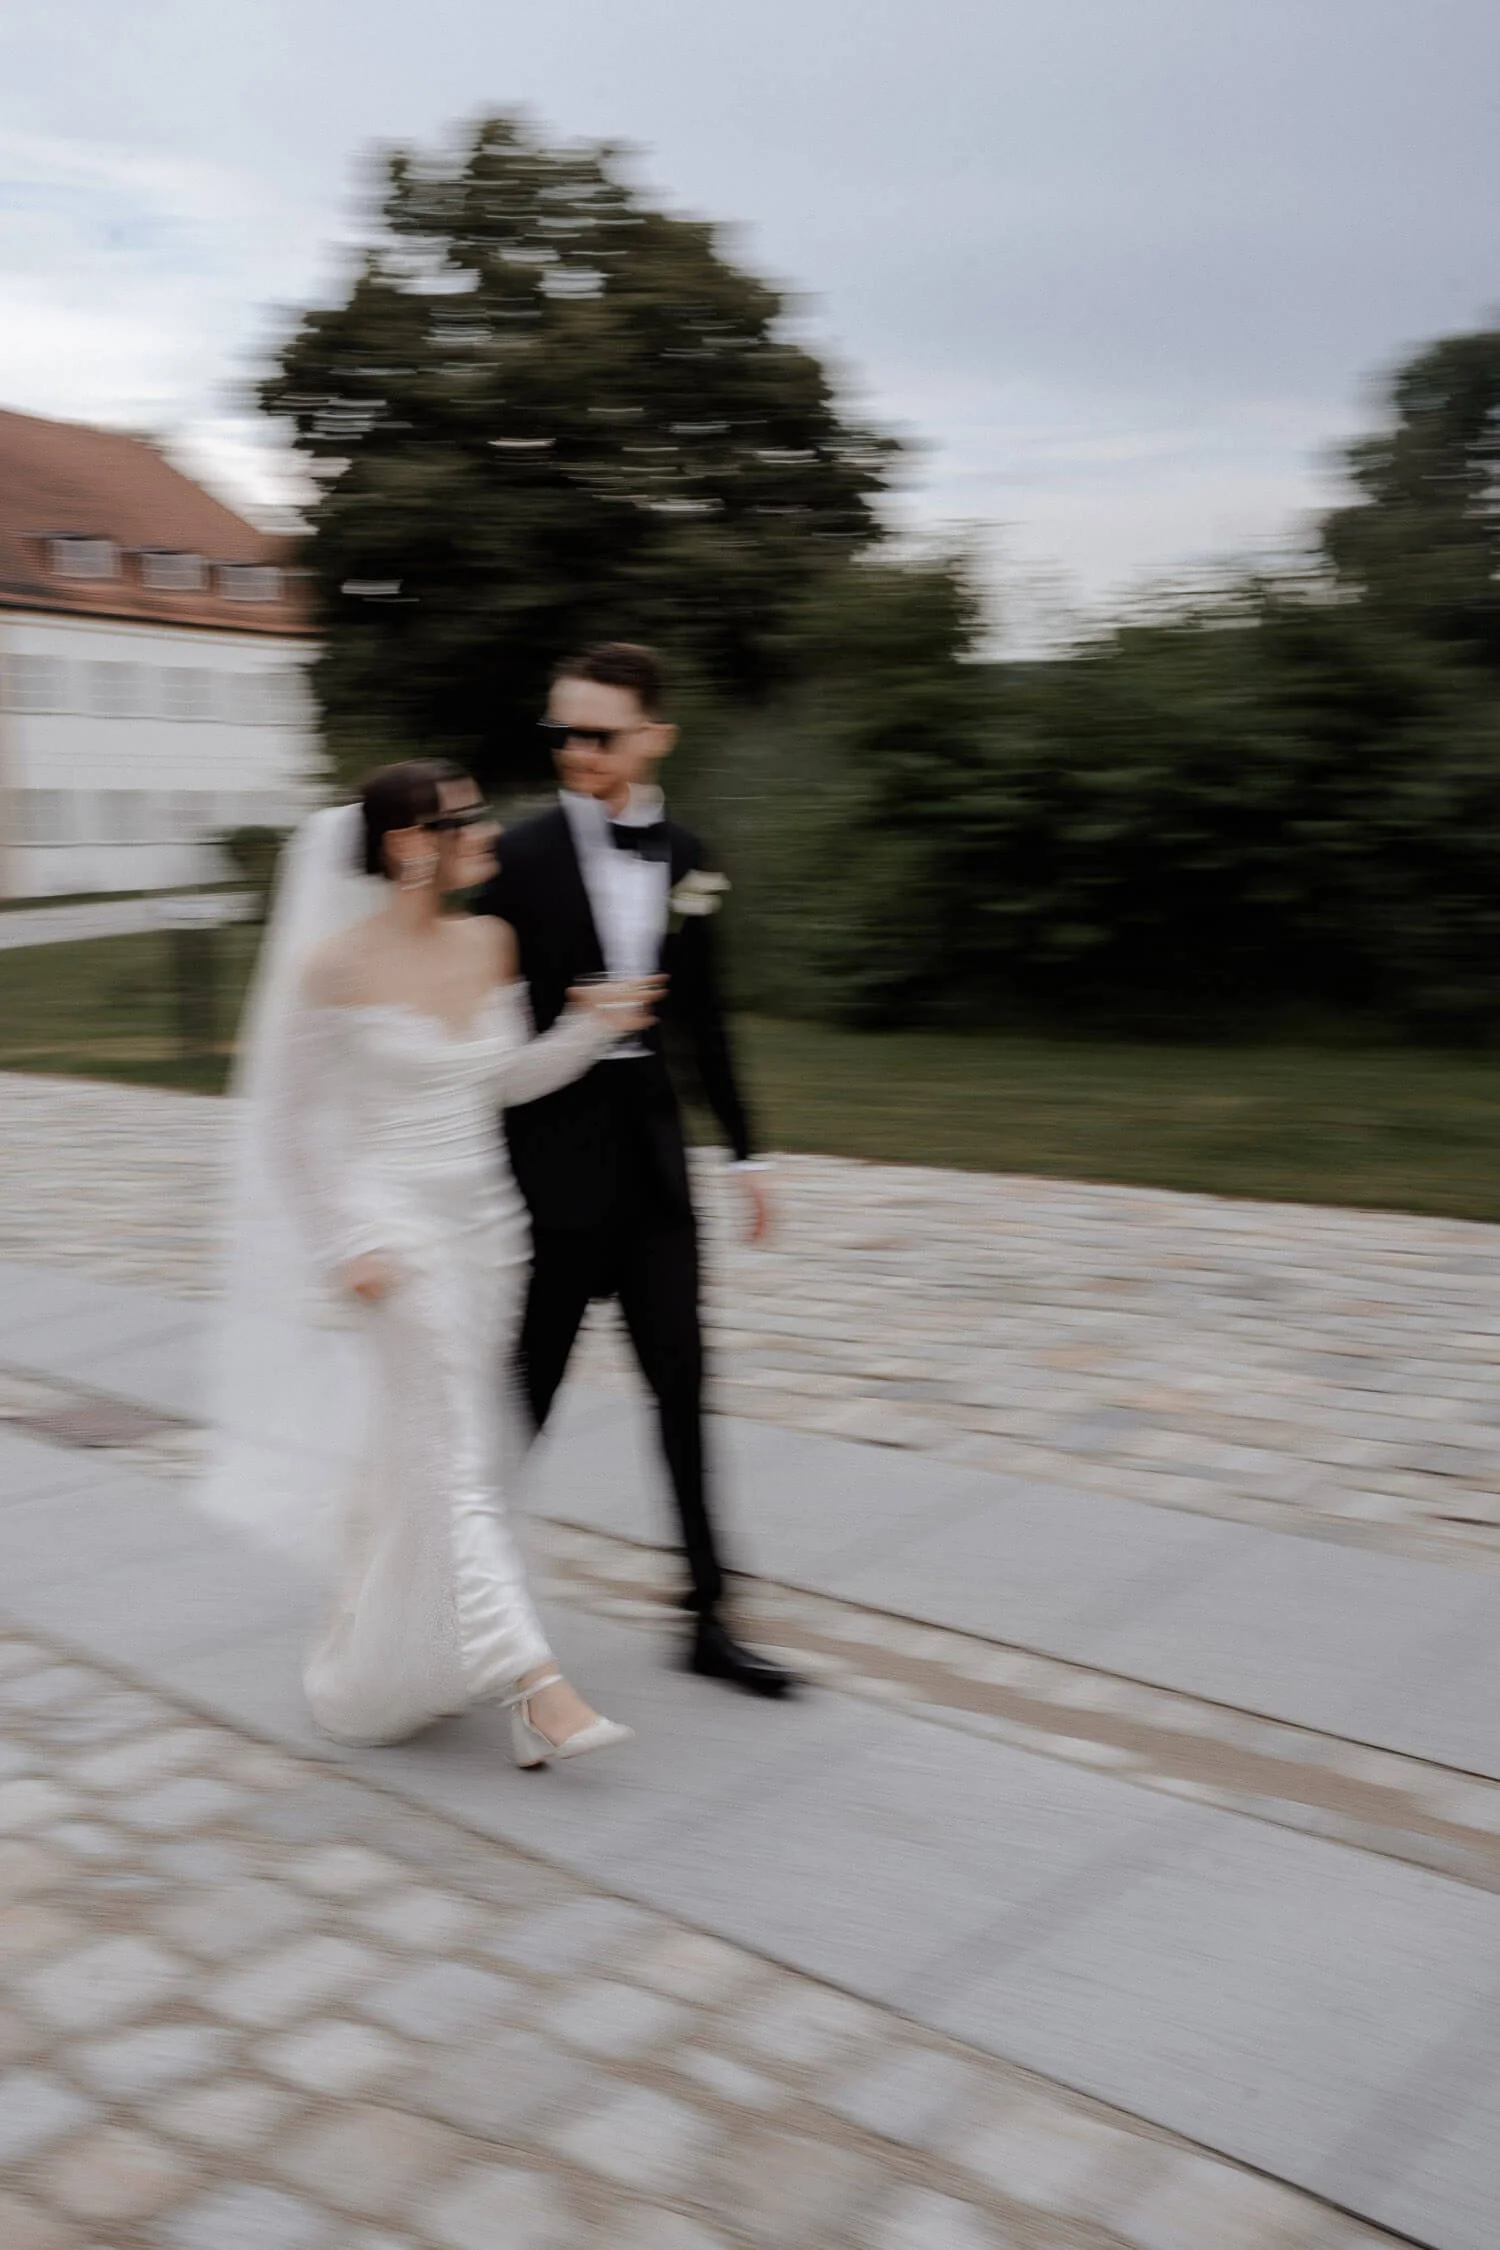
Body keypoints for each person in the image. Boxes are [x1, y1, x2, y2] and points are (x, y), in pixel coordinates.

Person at [205, 760, 661, 1762]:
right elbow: (286, 1129)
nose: (488, 832)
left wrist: (592, 1026)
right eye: (467, 819)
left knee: (438, 1457)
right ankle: (533, 1686)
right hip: (396, 1236)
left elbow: (504, 1080)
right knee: (453, 1452)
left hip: (490, 1232)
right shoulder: (334, 967)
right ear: (410, 845)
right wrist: (346, 1244)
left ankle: (401, 1661)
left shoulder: (488, 942)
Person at [474, 642, 798, 1697]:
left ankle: (709, 1618)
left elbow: (706, 1018)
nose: (575, 748)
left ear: (654, 736)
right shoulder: (513, 857)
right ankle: (453, 1599)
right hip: (550, 1165)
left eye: (598, 733)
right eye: (560, 730)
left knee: (683, 1386)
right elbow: (468, 1018)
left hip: (656, 1169)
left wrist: (745, 1150)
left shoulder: (689, 855)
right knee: (525, 1396)